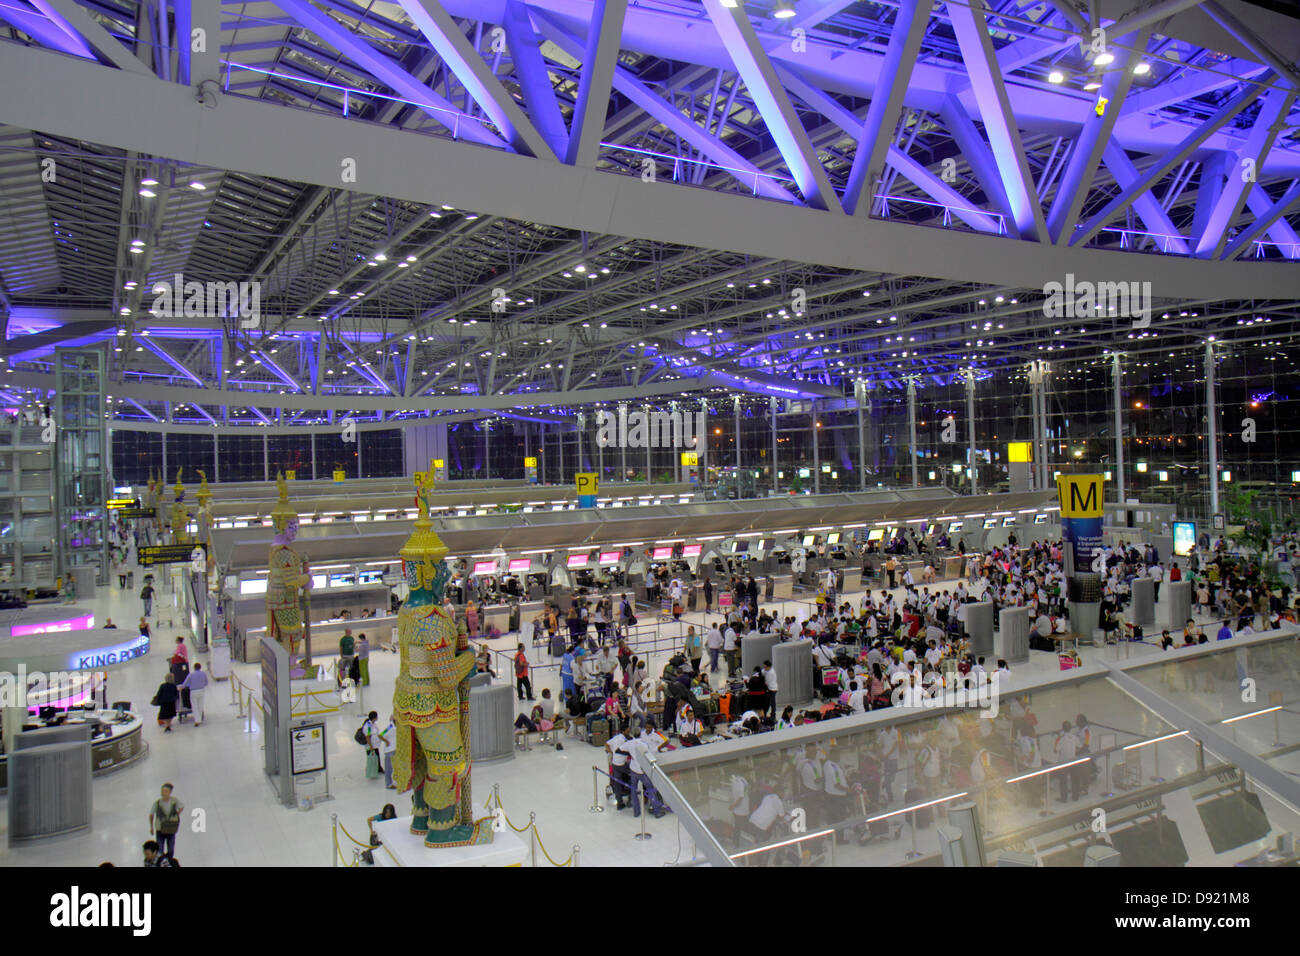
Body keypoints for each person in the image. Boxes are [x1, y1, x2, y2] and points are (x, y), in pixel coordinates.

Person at [148, 783, 183, 859]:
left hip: (170, 828)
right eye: (162, 791)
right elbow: (151, 814)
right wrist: (151, 827)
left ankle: (169, 860)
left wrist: (176, 815)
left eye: (166, 791)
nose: (163, 792)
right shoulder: (157, 803)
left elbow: (181, 807)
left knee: (171, 849)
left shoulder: (174, 801)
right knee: (160, 850)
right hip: (160, 829)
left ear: (170, 792)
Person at [606, 728, 632, 810]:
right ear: (623, 731)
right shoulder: (624, 740)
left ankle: (619, 803)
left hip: (614, 764)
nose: (628, 732)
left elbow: (607, 744)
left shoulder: (616, 737)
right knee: (633, 777)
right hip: (622, 765)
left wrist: (611, 753)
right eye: (627, 731)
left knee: (617, 783)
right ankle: (631, 799)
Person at [379, 715, 398, 788]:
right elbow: (380, 735)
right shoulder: (390, 727)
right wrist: (386, 741)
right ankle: (388, 784)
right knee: (389, 768)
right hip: (389, 751)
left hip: (395, 749)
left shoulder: (398, 727)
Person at [363, 710, 382, 780]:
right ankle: (372, 771)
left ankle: (378, 769)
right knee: (372, 758)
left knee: (377, 758)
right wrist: (371, 747)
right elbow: (367, 737)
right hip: (371, 746)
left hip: (375, 745)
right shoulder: (368, 726)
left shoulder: (373, 724)